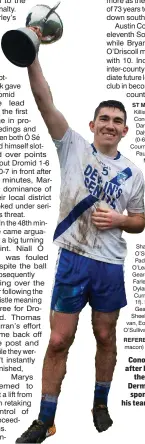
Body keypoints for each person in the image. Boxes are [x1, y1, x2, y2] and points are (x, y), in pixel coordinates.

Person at [16, 53, 145, 443]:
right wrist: (31, 58)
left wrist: (121, 221)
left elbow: (140, 219)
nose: (109, 125)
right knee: (58, 340)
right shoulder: (72, 146)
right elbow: (44, 100)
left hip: (108, 266)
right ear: (92, 125)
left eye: (117, 121)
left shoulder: (134, 174)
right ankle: (45, 419)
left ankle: (100, 403)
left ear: (125, 131)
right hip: (73, 259)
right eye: (103, 119)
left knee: (106, 336)